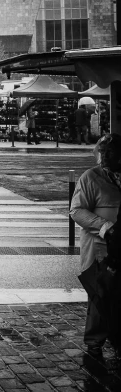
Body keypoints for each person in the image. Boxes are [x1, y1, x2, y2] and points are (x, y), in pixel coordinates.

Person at [70, 134, 121, 356]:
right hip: (100, 248)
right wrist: (106, 227)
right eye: (103, 152)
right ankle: (95, 340)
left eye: (111, 152)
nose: (106, 156)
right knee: (99, 293)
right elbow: (77, 211)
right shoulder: (90, 177)